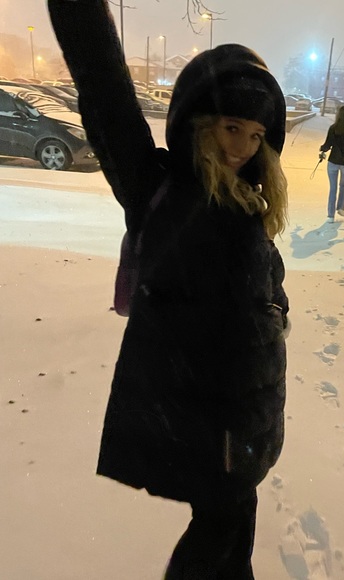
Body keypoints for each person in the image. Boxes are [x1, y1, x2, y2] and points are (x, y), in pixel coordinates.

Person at [47, 1, 290, 578]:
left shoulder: (248, 203)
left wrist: (277, 314)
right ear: (198, 124)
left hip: (247, 419)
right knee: (217, 537)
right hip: (201, 420)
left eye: (256, 134)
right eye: (232, 127)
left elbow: (268, 286)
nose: (243, 146)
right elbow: (104, 90)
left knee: (235, 532)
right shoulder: (161, 191)